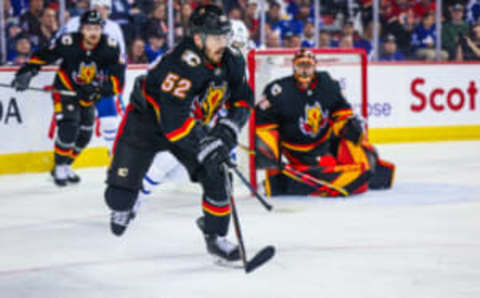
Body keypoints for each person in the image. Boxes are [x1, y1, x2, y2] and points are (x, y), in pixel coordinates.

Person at [104, 5, 253, 263]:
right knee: (117, 198)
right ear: (198, 38)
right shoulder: (181, 64)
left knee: (216, 172)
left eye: (224, 36)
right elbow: (173, 124)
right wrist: (206, 142)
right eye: (216, 37)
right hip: (146, 123)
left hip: (187, 123)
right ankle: (125, 204)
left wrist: (226, 132)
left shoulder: (231, 59)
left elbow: (242, 99)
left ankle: (215, 236)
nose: (223, 42)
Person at [255, 48, 394, 197]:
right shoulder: (279, 90)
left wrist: (348, 125)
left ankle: (292, 182)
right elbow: (263, 123)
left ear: (315, 67)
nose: (304, 70)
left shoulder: (328, 84)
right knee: (335, 168)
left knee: (365, 158)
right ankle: (287, 182)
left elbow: (341, 112)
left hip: (325, 144)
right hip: (297, 152)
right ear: (294, 67)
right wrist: (267, 150)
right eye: (300, 65)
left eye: (308, 66)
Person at [11, 10, 125, 186]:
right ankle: (59, 167)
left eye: (96, 28)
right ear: (81, 29)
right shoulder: (68, 42)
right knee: (69, 127)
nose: (93, 32)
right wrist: (28, 71)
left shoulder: (110, 47)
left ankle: (67, 164)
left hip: (88, 95)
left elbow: (118, 78)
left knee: (85, 135)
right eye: (88, 28)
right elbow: (45, 54)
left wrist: (99, 91)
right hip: (65, 90)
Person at [54, 0, 126, 152]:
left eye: (103, 8)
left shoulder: (114, 28)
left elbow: (120, 58)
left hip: (101, 76)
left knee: (109, 120)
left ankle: (114, 156)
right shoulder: (74, 23)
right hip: (76, 76)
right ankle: (62, 161)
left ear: (109, 10)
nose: (100, 11)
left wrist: (114, 81)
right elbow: (56, 44)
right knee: (72, 122)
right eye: (96, 7)